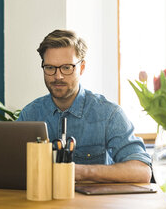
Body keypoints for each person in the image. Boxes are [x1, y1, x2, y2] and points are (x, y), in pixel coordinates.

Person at [17, 30, 152, 183]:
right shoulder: (30, 114)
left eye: (67, 67)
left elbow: (142, 171)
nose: (58, 76)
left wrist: (82, 172)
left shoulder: (109, 114)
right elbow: (10, 165)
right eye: (50, 68)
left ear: (81, 68)